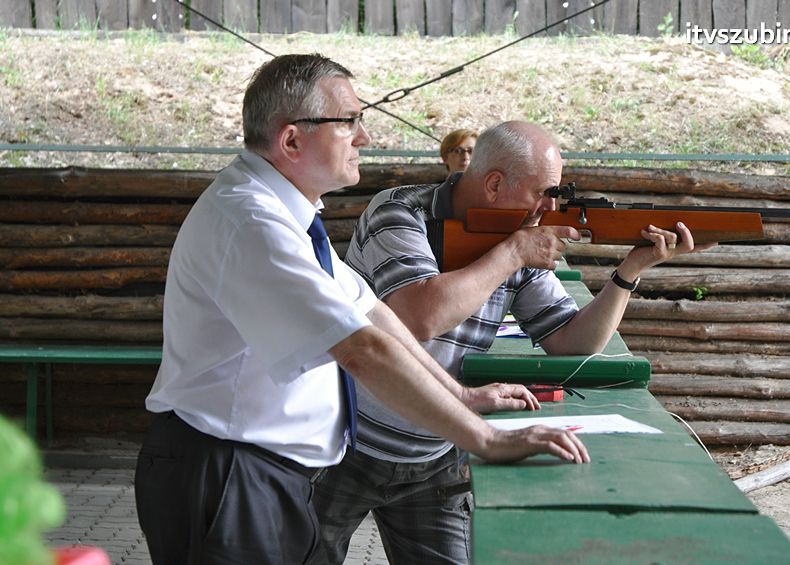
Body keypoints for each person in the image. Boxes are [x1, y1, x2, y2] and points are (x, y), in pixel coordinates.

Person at [133, 56, 589, 565]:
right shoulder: (253, 220)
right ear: (291, 141)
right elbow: (363, 349)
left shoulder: (286, 212)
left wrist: (460, 394)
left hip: (259, 471)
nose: (363, 136)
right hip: (226, 470)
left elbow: (373, 314)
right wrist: (485, 440)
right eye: (348, 121)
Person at [311, 121, 713, 564]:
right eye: (545, 191)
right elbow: (419, 317)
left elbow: (572, 343)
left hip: (437, 451)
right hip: (343, 446)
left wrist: (630, 271)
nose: (551, 206)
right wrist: (514, 253)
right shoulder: (401, 211)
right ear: (495, 184)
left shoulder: (518, 236)